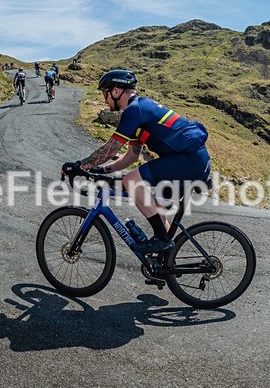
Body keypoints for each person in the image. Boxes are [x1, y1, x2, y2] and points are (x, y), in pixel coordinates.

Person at [63, 69, 210, 254]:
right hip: (193, 160)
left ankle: (162, 240)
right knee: (157, 208)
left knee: (131, 180)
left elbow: (111, 149)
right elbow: (132, 156)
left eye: (105, 93)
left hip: (189, 160)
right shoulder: (138, 111)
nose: (104, 98)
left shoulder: (134, 110)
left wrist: (79, 165)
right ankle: (166, 264)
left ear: (116, 91)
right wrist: (103, 171)